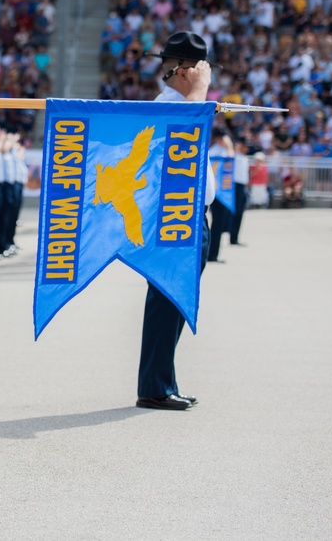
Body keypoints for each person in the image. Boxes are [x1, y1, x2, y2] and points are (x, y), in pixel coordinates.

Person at [137, 31, 215, 411]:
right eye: (202, 70)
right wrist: (201, 92)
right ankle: (155, 386)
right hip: (176, 216)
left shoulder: (182, 102)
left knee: (171, 302)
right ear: (185, 71)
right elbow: (186, 136)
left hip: (186, 215)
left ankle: (161, 381)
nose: (208, 77)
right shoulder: (175, 104)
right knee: (168, 301)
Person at [206, 129, 233, 263]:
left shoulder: (217, 150)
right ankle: (212, 254)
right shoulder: (217, 150)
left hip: (221, 191)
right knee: (217, 224)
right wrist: (230, 147)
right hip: (219, 192)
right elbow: (230, 161)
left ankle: (213, 254)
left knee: (218, 224)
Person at [229, 138, 249, 245]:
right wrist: (236, 148)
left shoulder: (244, 158)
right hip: (235, 186)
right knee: (235, 213)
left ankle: (235, 237)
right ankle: (232, 236)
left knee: (240, 213)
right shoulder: (235, 156)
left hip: (242, 186)